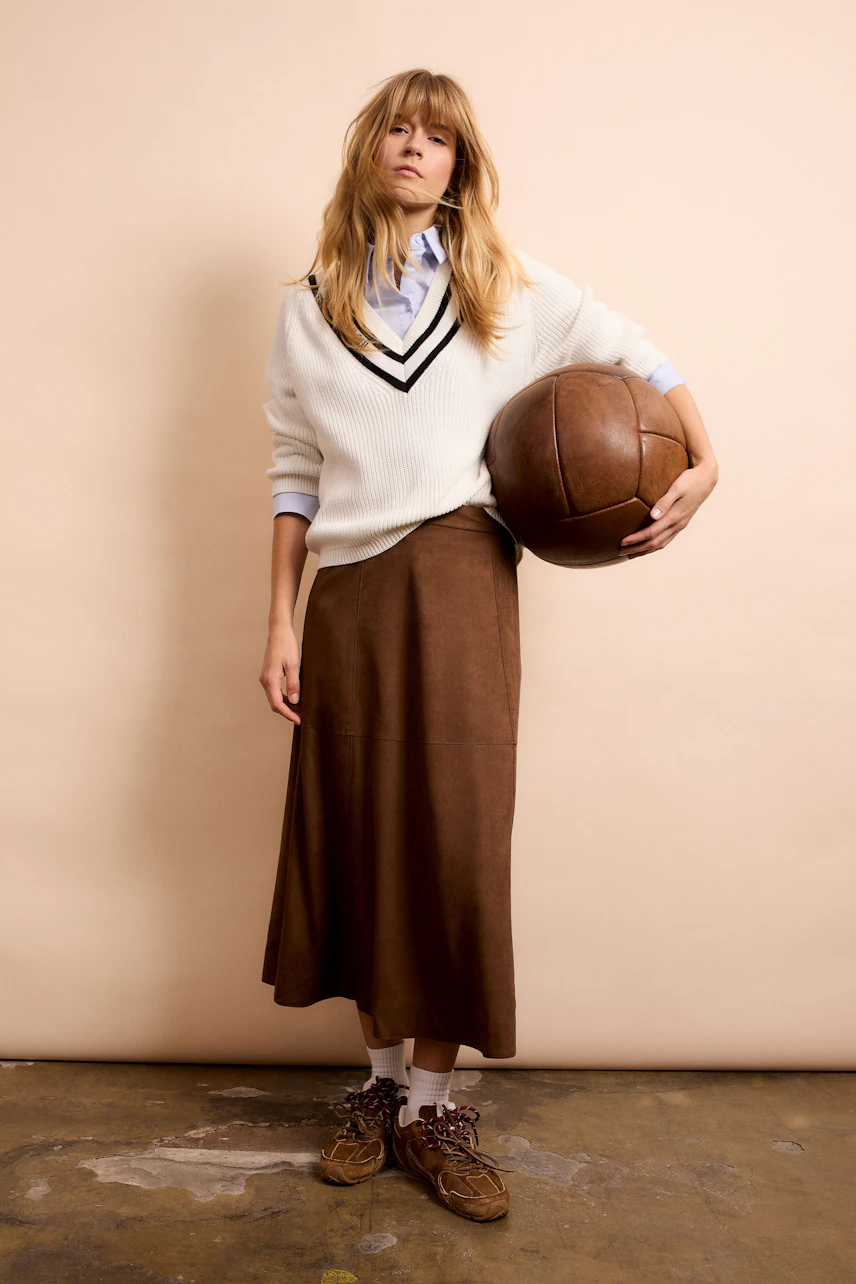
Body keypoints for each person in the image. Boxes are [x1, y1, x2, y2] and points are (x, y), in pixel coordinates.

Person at [258, 69, 718, 1223]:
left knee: (454, 833)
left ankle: (430, 1106)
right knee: (363, 833)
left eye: (438, 137)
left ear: (460, 165)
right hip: (347, 595)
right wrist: (278, 617)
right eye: (398, 131)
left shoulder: (507, 287)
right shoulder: (308, 305)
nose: (415, 149)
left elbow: (641, 355)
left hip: (463, 572)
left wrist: (704, 466)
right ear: (370, 150)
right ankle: (374, 1089)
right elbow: (294, 473)